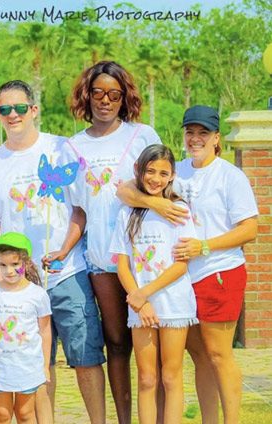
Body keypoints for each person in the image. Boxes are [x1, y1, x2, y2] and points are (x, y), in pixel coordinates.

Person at [116, 105, 258, 424]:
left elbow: (250, 228)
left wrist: (204, 245)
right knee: (199, 357)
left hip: (218, 272)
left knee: (220, 355)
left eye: (203, 133)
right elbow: (125, 190)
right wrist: (154, 201)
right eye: (190, 132)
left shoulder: (229, 176)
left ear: (216, 138)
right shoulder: (175, 171)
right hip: (180, 282)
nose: (195, 139)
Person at [0, 80, 106, 424]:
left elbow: (81, 208)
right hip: (19, 281)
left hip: (67, 273)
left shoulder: (61, 149)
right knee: (38, 366)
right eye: (5, 109)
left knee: (86, 356)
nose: (13, 115)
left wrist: (64, 249)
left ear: (33, 110)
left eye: (20, 108)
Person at [65, 61, 162, 423]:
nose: (105, 101)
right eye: (98, 93)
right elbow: (78, 210)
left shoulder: (142, 135)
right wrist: (60, 250)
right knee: (117, 342)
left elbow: (162, 185)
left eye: (114, 94)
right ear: (86, 96)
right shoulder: (72, 147)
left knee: (154, 349)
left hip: (146, 258)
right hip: (102, 260)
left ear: (125, 98)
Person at [110, 145, 197, 424]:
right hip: (141, 306)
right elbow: (122, 264)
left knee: (171, 376)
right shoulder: (128, 212)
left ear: (171, 176)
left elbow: (181, 264)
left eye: (163, 173)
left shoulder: (179, 210)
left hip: (172, 301)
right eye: (150, 171)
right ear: (139, 171)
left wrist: (144, 293)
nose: (156, 178)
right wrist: (141, 301)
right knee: (147, 377)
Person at [0, 232, 52, 424]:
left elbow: (45, 331)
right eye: (3, 265)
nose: (9, 271)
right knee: (1, 415)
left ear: (26, 263)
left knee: (25, 413)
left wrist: (44, 365)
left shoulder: (38, 295)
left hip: (27, 366)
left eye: (15, 264)